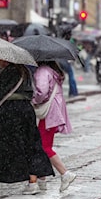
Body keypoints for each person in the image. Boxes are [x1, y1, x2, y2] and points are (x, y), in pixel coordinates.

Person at [0, 59, 54, 195]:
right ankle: (33, 181)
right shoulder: (25, 71)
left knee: (0, 146)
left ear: (6, 59)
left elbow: (0, 91)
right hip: (26, 111)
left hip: (10, 112)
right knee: (29, 145)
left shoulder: (10, 72)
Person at [32, 60, 76, 192]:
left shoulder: (42, 71)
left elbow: (41, 92)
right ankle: (42, 179)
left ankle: (65, 174)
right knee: (44, 145)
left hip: (49, 113)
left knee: (43, 147)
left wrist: (33, 101)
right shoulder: (52, 71)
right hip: (54, 111)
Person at [57, 28, 79, 97]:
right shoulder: (69, 42)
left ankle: (71, 92)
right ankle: (73, 92)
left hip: (61, 61)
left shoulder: (60, 41)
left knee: (61, 76)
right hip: (66, 61)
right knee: (71, 75)